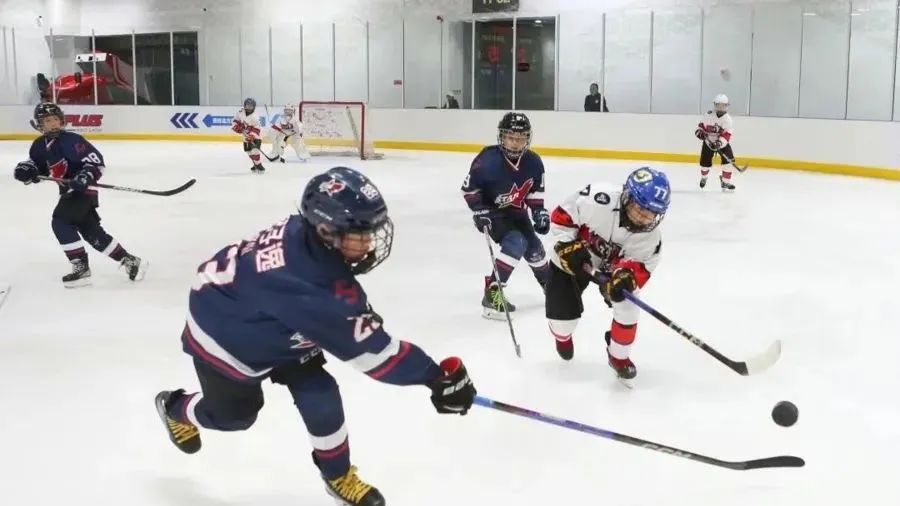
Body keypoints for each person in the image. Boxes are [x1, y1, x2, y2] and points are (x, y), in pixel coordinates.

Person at [154, 167, 476, 506]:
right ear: (325, 229)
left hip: (269, 316)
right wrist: (435, 377)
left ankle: (337, 477)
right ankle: (175, 408)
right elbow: (379, 357)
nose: (369, 243)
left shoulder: (307, 236)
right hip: (225, 330)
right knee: (235, 417)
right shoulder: (310, 288)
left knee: (320, 392)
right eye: (359, 234)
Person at [545, 167, 670, 382]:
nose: (642, 217)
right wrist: (565, 245)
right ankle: (562, 335)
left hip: (612, 269)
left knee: (628, 305)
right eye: (639, 208)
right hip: (574, 257)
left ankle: (618, 357)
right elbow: (561, 219)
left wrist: (625, 279)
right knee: (563, 324)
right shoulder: (597, 198)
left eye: (650, 213)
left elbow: (641, 269)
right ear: (627, 197)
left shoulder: (651, 240)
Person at [12, 102, 147, 288]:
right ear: (39, 124)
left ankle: (81, 266)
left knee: (60, 221)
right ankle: (129, 260)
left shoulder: (72, 140)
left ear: (61, 120)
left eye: (55, 119)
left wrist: (85, 175)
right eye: (47, 121)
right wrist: (26, 170)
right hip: (67, 193)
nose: (53, 124)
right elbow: (37, 166)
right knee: (92, 233)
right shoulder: (39, 145)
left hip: (82, 191)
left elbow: (96, 163)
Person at [461, 112, 550, 320]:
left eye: (520, 138)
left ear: (527, 138)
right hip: (493, 212)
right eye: (511, 137)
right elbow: (469, 190)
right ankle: (492, 296)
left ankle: (551, 288)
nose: (515, 143)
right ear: (502, 137)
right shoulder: (487, 160)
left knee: (535, 249)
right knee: (516, 242)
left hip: (517, 212)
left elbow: (534, 192)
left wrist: (539, 212)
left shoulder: (534, 162)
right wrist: (479, 211)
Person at [695, 94, 737, 191]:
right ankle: (704, 177)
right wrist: (700, 133)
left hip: (722, 144)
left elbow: (727, 135)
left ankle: (725, 182)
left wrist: (719, 143)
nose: (720, 108)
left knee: (728, 162)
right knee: (705, 164)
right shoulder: (708, 115)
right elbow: (700, 127)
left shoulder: (728, 120)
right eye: (719, 105)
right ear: (715, 105)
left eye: (723, 105)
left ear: (727, 106)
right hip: (708, 142)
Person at [232, 97, 265, 174]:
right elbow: (235, 121)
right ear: (244, 105)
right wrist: (237, 127)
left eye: (251, 106)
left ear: (254, 107)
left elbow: (257, 128)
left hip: (257, 136)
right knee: (248, 151)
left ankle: (259, 165)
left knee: (255, 151)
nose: (249, 108)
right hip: (245, 135)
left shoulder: (255, 117)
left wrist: (252, 135)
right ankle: (255, 164)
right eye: (247, 106)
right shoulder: (240, 112)